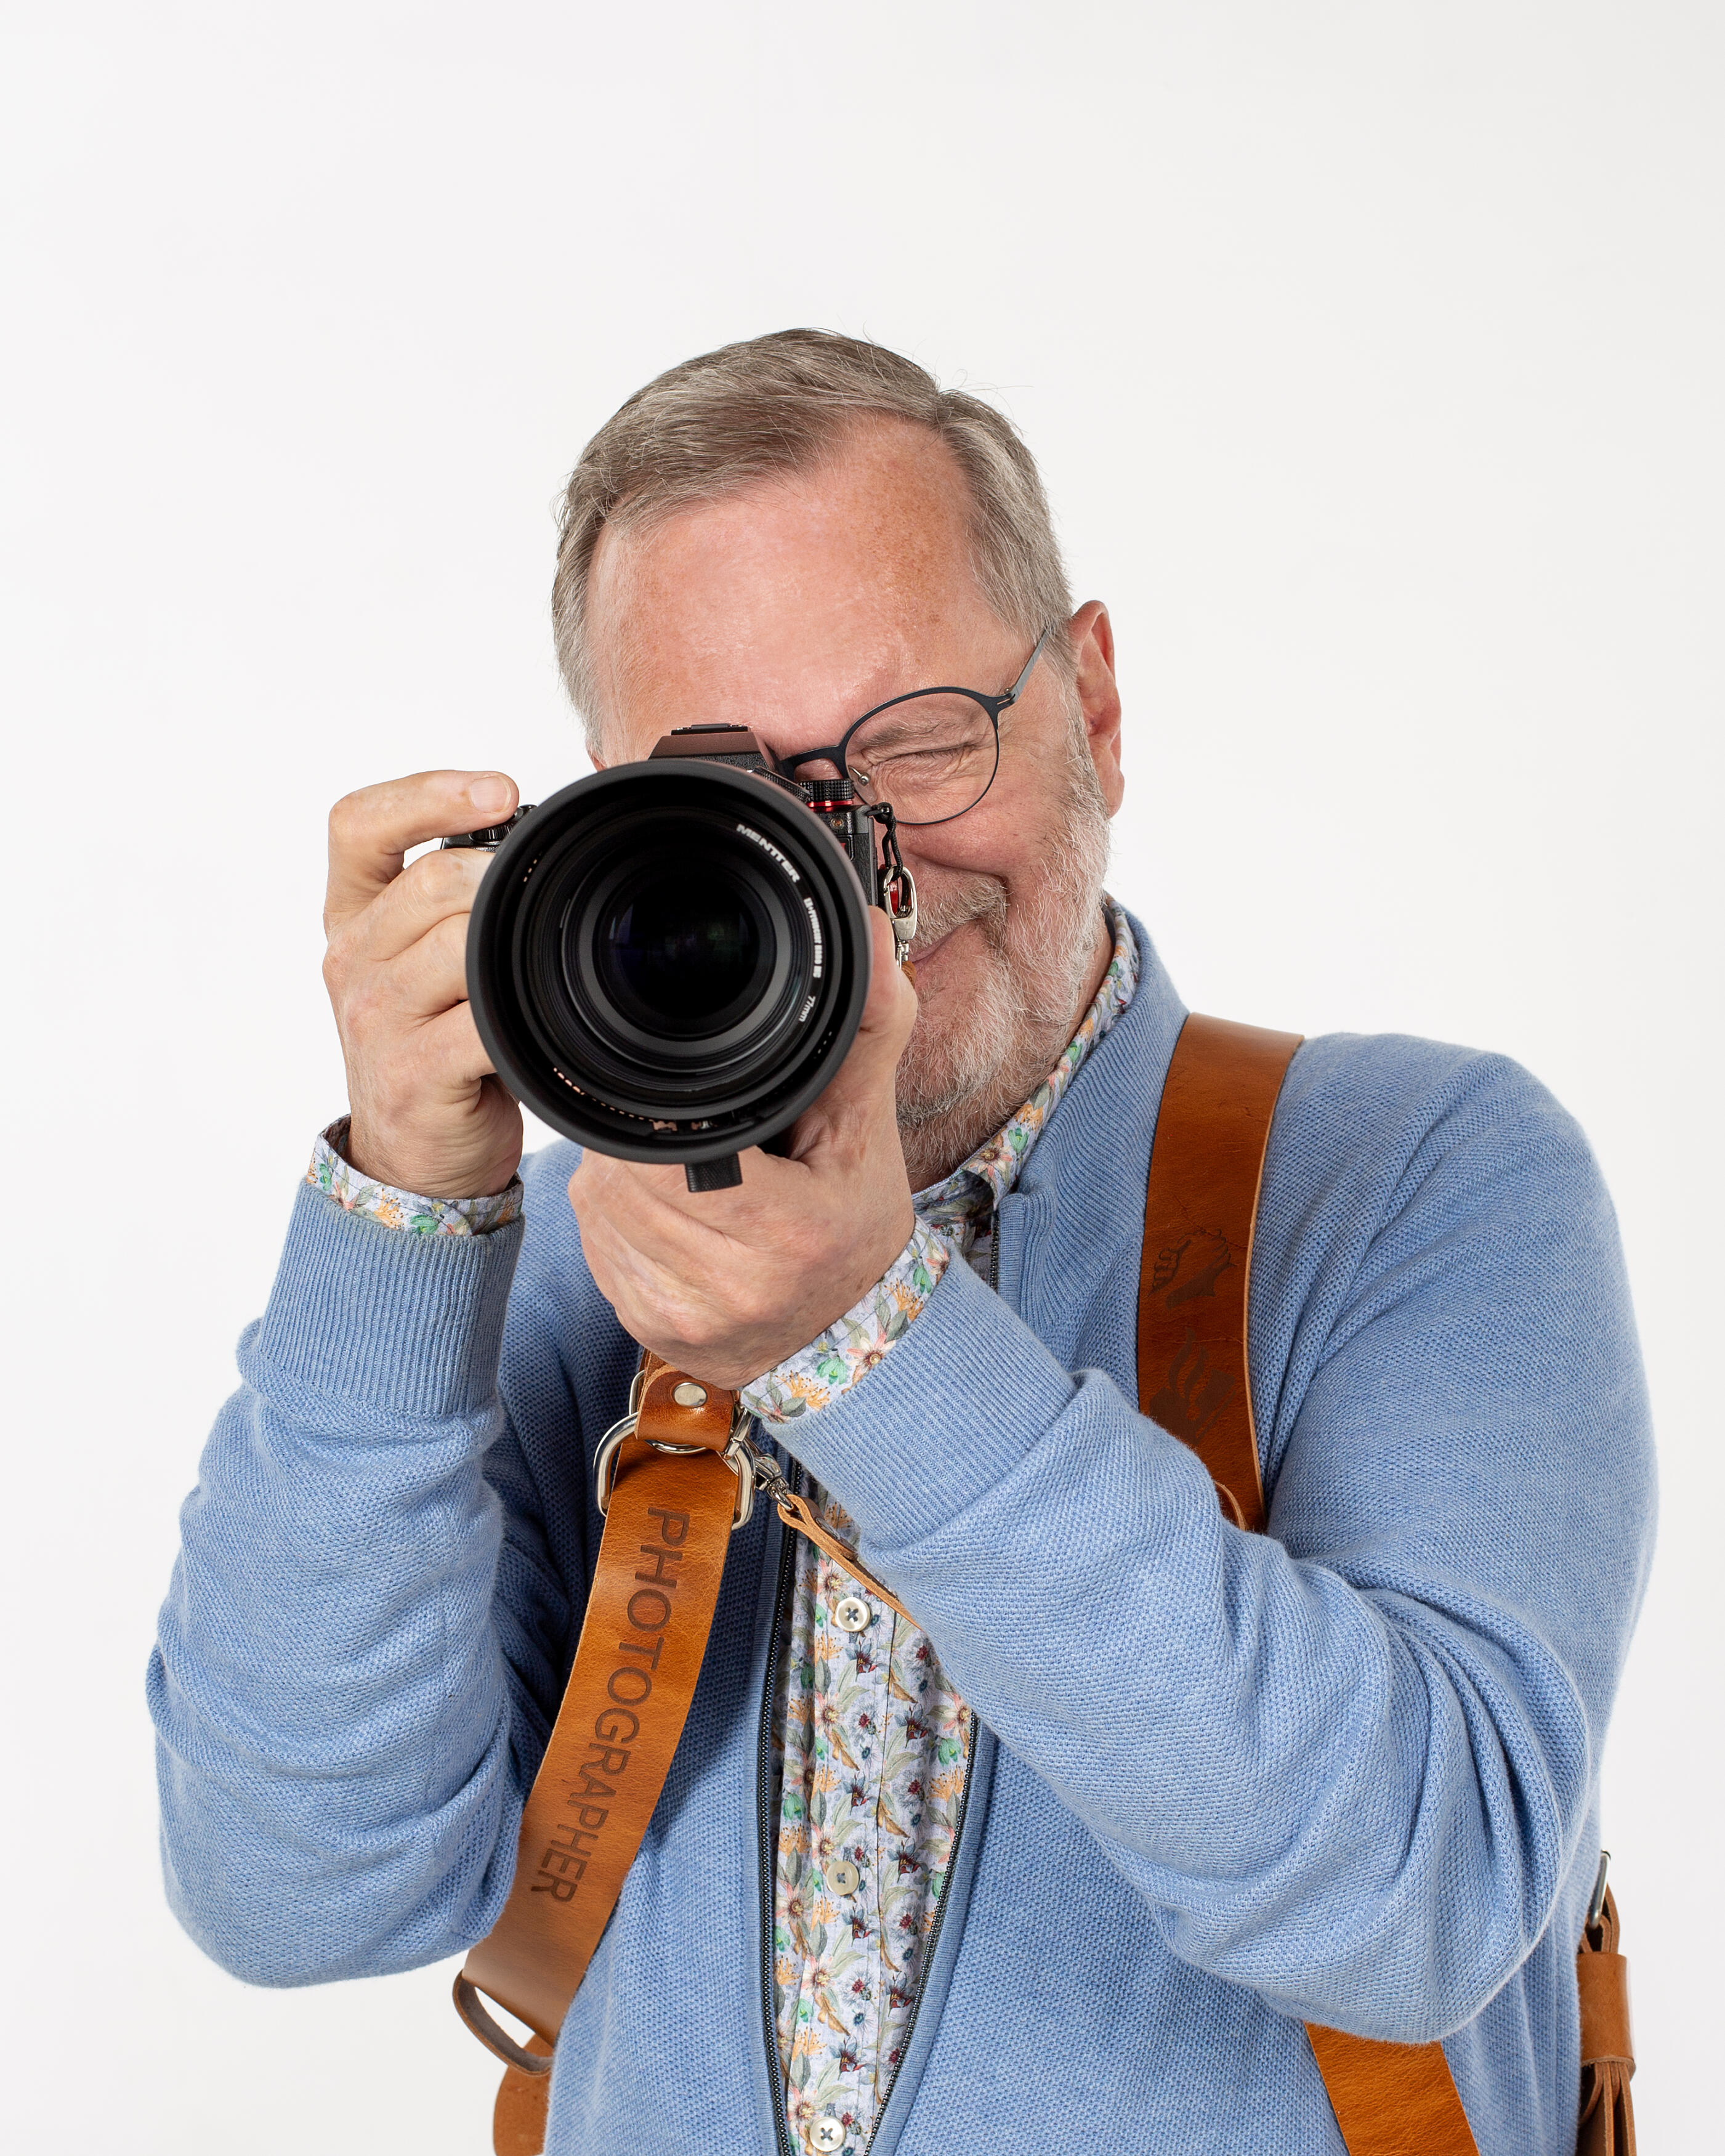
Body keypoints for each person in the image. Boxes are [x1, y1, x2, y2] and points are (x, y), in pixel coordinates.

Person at [149, 329, 1655, 2156]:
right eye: (741, 782)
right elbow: (301, 1887)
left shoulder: (1413, 1172)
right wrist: (406, 1210)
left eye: (920, 737)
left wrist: (867, 1336)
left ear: (1091, 704)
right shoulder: (579, 1257)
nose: (856, 861)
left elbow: (1420, 1896)